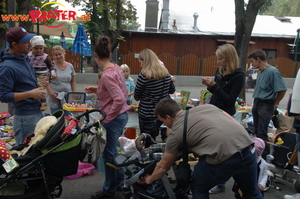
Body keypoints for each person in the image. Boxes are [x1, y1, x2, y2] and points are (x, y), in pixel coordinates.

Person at [144, 98, 263, 199]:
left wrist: (150, 179)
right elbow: (237, 125)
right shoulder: (208, 107)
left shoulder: (176, 133)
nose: (164, 124)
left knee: (198, 188)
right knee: (251, 193)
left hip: (224, 158)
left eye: (162, 121)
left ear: (169, 117)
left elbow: (163, 166)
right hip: (248, 149)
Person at [84, 36, 129, 199]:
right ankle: (119, 183)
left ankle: (109, 191)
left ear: (95, 55)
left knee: (108, 155)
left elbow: (119, 98)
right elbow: (116, 90)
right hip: (121, 116)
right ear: (110, 54)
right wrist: (97, 89)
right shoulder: (115, 68)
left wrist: (106, 118)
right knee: (113, 152)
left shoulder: (106, 75)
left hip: (114, 118)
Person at [202, 44, 245, 193]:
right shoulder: (219, 71)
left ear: (229, 58)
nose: (218, 61)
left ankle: (221, 183)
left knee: (223, 152)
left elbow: (229, 100)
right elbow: (216, 93)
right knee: (211, 149)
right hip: (214, 113)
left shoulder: (239, 76)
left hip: (225, 116)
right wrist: (209, 85)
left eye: (221, 59)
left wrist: (214, 86)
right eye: (218, 58)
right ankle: (211, 178)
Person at [0, 27, 47, 146]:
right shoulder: (7, 67)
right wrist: (31, 94)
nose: (29, 44)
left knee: (35, 151)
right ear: (14, 44)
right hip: (25, 118)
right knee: (24, 153)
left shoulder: (24, 57)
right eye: (25, 42)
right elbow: (3, 95)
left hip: (36, 112)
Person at [248, 49, 287, 158]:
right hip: (257, 102)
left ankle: (263, 157)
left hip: (266, 104)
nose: (252, 64)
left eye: (253, 61)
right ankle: (257, 154)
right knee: (255, 130)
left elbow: (282, 89)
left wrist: (276, 102)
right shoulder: (260, 71)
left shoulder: (272, 71)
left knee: (262, 132)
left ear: (258, 59)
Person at [134, 48, 176, 140]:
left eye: (140, 62)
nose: (140, 65)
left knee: (146, 141)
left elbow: (136, 96)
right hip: (162, 112)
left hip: (147, 114)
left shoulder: (144, 76)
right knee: (160, 138)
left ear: (145, 61)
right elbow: (172, 90)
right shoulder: (165, 73)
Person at [28, 35, 57, 111]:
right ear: (32, 48)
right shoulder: (29, 55)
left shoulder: (45, 56)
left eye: (41, 48)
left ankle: (43, 102)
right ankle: (34, 101)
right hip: (32, 73)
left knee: (41, 86)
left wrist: (53, 73)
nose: (39, 50)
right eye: (36, 48)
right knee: (32, 87)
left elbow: (50, 66)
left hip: (42, 74)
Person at [45, 45, 76, 114]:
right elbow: (46, 82)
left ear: (63, 53)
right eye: (56, 55)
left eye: (60, 54)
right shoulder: (51, 66)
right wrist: (52, 94)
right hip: (55, 97)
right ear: (53, 56)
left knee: (69, 117)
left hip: (67, 96)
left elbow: (73, 81)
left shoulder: (70, 66)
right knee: (56, 118)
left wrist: (74, 94)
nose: (58, 56)